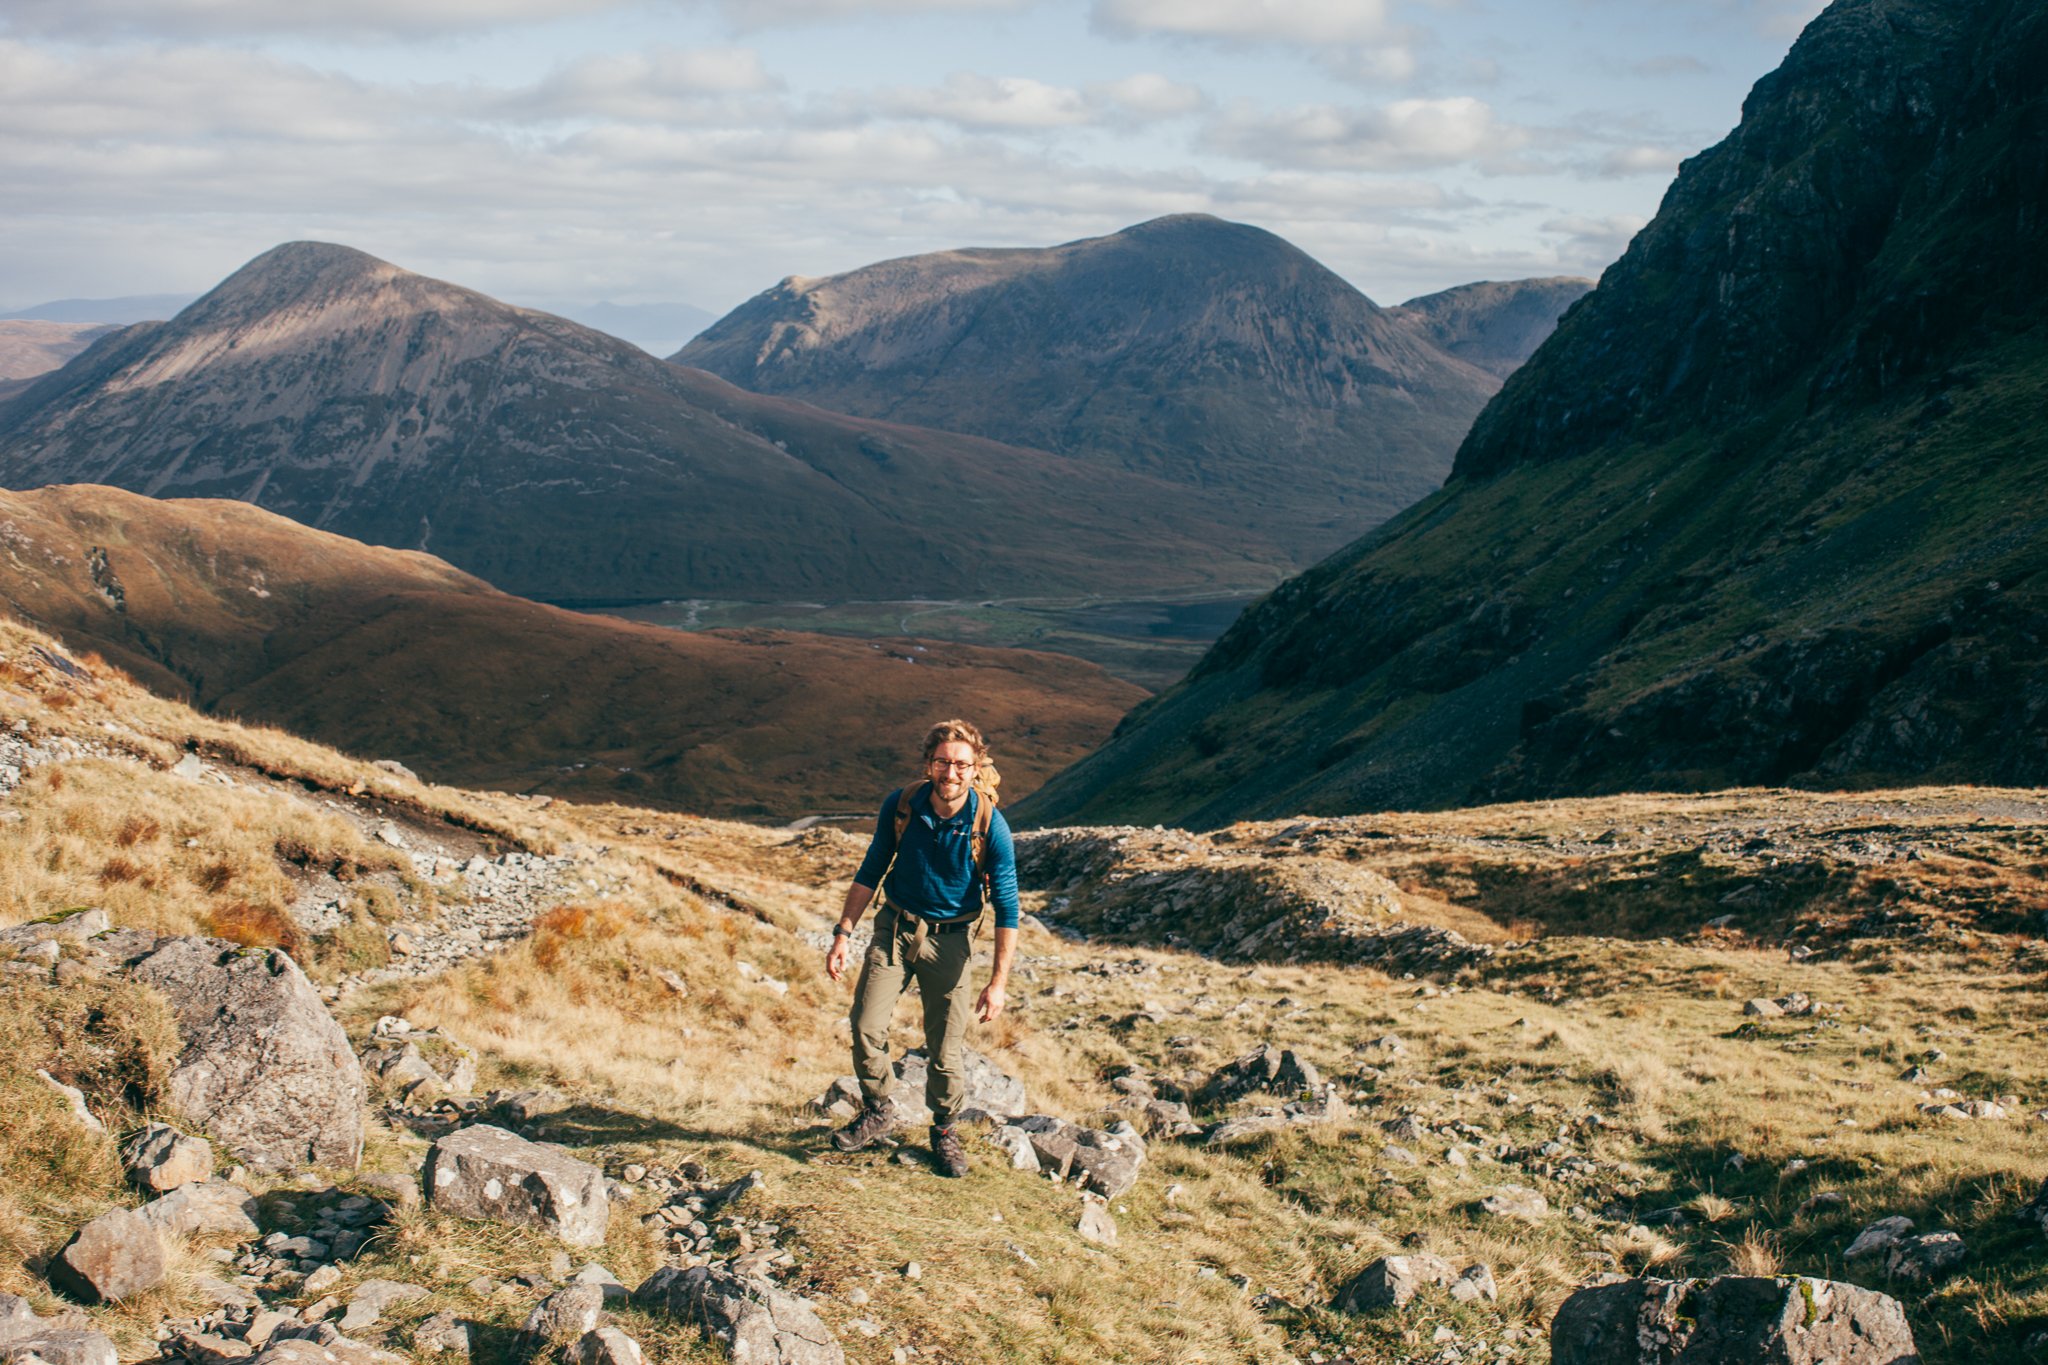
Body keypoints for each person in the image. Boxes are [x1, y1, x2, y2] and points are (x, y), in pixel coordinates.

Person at [823, 718, 1019, 1177]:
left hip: (951, 942)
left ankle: (945, 1130)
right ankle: (878, 1108)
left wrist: (998, 983)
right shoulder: (903, 804)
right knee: (866, 1024)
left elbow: (1008, 906)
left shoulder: (991, 825)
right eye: (942, 763)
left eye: (961, 766)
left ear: (976, 770)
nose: (951, 774)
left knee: (945, 1049)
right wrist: (842, 933)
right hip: (893, 928)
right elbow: (871, 868)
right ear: (929, 764)